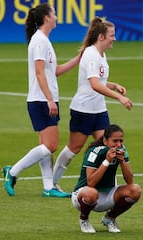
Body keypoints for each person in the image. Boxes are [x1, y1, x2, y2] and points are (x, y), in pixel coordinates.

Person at [2, 3, 80, 197]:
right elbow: (39, 73)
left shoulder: (44, 40)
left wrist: (78, 58)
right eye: (54, 13)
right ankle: (12, 172)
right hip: (41, 100)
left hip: (45, 99)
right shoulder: (39, 42)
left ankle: (48, 187)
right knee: (51, 146)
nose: (56, 16)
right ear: (47, 18)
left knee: (46, 146)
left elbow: (55, 71)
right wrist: (50, 100)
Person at [52, 17, 133, 190]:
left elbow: (100, 81)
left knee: (109, 148)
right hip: (83, 110)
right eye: (112, 35)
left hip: (99, 110)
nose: (115, 38)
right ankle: (52, 182)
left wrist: (114, 85)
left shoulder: (101, 55)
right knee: (74, 148)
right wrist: (119, 98)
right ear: (101, 37)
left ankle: (111, 187)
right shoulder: (90, 54)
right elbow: (94, 84)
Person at [71, 124, 141, 233]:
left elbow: (129, 181)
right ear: (105, 141)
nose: (119, 144)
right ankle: (84, 220)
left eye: (121, 141)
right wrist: (107, 161)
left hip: (107, 195)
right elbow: (91, 182)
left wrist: (122, 161)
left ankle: (109, 218)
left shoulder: (122, 151)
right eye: (115, 141)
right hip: (84, 195)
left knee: (135, 190)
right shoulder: (95, 152)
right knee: (91, 193)